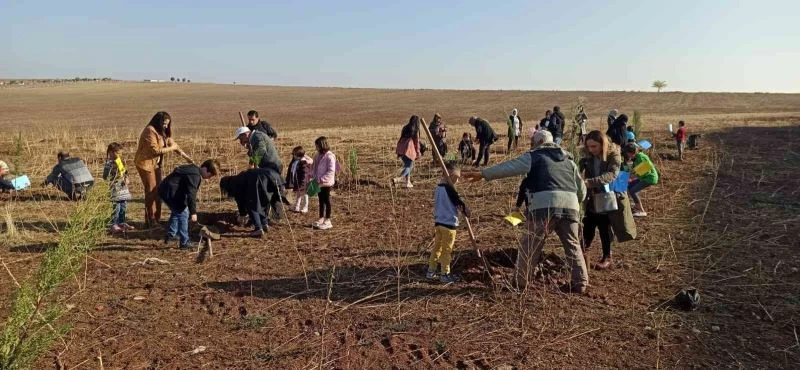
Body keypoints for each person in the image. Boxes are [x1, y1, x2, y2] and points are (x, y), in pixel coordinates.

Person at [464, 130, 588, 293]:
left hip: (544, 207)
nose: (531, 145)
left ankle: (520, 281)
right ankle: (581, 283)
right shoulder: (569, 161)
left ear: (538, 142)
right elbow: (582, 190)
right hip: (570, 206)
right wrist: (574, 203)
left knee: (530, 245)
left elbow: (509, 167)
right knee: (572, 244)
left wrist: (483, 174)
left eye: (532, 142)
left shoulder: (535, 156)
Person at [579, 131, 622, 270]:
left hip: (607, 196)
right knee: (588, 223)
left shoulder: (613, 155)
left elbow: (612, 175)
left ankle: (607, 257)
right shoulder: (588, 155)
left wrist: (589, 182)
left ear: (603, 144)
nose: (591, 149)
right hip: (591, 197)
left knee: (604, 226)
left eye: (594, 146)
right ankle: (582, 254)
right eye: (589, 146)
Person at [159, 159, 220, 249]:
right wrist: (193, 212)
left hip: (167, 189)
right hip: (170, 192)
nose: (209, 178)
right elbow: (191, 195)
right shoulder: (195, 176)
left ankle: (171, 235)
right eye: (210, 175)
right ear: (205, 169)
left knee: (177, 211)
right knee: (184, 213)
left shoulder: (194, 169)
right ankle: (184, 242)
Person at [135, 111, 181, 228]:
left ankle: (157, 218)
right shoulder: (150, 130)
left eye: (167, 124)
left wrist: (181, 152)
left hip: (155, 165)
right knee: (151, 191)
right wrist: (172, 148)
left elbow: (170, 141)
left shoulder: (161, 132)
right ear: (158, 121)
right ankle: (150, 220)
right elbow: (155, 150)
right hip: (145, 164)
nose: (166, 126)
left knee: (158, 190)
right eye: (164, 124)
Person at [427, 161, 470, 283]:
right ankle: (445, 274)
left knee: (437, 247)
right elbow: (460, 205)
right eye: (457, 178)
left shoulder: (438, 188)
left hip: (439, 222)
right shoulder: (451, 190)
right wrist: (466, 209)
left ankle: (431, 270)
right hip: (449, 225)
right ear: (450, 174)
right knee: (447, 250)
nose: (458, 181)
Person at [234, 126, 286, 220]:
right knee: (267, 191)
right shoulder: (253, 138)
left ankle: (273, 217)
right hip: (267, 168)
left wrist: (252, 163)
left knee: (269, 191)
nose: (240, 141)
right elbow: (256, 151)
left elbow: (261, 150)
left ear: (246, 134)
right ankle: (268, 216)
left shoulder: (257, 136)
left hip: (272, 167)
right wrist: (249, 150)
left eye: (241, 138)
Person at [220, 167, 282, 238]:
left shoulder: (234, 184)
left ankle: (258, 229)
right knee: (261, 203)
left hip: (260, 179)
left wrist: (242, 215)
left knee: (251, 204)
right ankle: (264, 224)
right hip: (270, 176)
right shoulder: (240, 177)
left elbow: (241, 202)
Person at [103, 143, 134, 233]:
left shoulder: (120, 161)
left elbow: (125, 172)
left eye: (121, 153)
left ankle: (122, 222)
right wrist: (115, 177)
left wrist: (126, 178)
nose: (120, 155)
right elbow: (105, 177)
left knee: (123, 206)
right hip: (115, 188)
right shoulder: (108, 164)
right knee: (116, 207)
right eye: (118, 153)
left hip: (123, 188)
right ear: (112, 153)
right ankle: (114, 224)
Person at [622, 143, 658, 217]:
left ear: (631, 153)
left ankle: (641, 210)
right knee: (629, 186)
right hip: (644, 177)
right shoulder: (636, 157)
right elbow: (635, 169)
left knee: (632, 190)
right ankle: (636, 204)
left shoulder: (641, 157)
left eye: (627, 153)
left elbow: (646, 171)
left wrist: (632, 177)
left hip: (650, 178)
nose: (627, 155)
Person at [312, 136, 337, 230]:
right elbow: (315, 168)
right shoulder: (317, 155)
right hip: (318, 182)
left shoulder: (330, 156)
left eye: (317, 146)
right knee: (321, 200)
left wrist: (322, 179)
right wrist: (314, 177)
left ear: (321, 145)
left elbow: (331, 171)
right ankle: (321, 218)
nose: (316, 147)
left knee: (326, 200)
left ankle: (328, 220)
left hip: (326, 183)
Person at [393, 116, 422, 188]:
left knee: (407, 165)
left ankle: (408, 182)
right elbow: (417, 143)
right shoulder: (415, 130)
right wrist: (418, 153)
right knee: (409, 166)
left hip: (401, 148)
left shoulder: (405, 128)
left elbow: (401, 138)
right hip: (408, 150)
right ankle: (399, 179)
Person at [285, 146, 313, 214]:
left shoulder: (303, 163)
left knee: (305, 194)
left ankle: (305, 207)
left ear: (298, 155)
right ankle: (297, 206)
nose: (293, 156)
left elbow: (305, 174)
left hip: (304, 182)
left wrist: (303, 182)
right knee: (298, 194)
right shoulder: (296, 161)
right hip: (298, 181)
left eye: (294, 154)